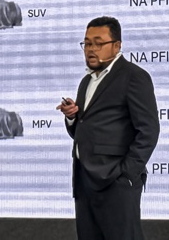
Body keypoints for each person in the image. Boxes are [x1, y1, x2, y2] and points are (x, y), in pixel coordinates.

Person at [56, 16, 160, 240]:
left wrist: (127, 174)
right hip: (84, 180)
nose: (91, 50)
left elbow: (149, 130)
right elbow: (84, 130)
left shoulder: (134, 77)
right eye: (87, 43)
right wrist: (73, 118)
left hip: (116, 182)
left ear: (117, 45)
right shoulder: (86, 81)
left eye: (98, 43)